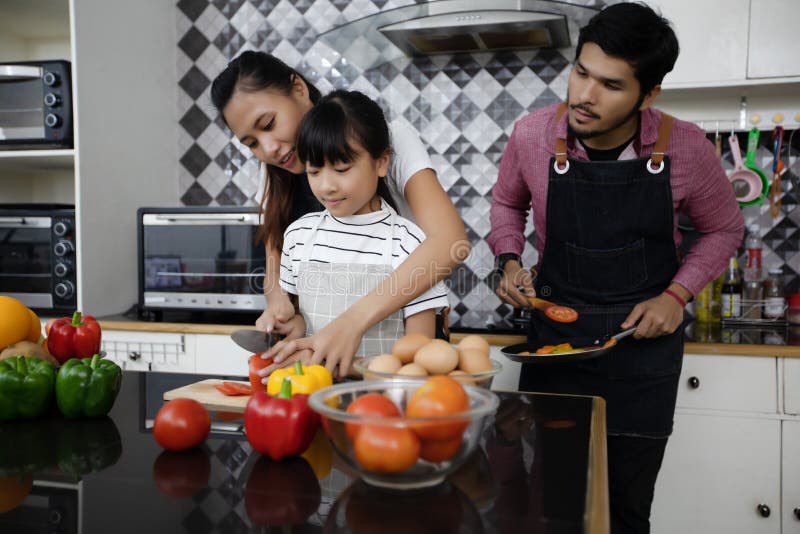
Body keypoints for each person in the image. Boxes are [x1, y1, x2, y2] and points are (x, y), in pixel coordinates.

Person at [487, 3, 744, 533]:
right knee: (547, 505)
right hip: (555, 343)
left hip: (641, 355)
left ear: (648, 94)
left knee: (625, 510)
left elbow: (724, 229)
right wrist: (508, 259)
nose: (584, 95)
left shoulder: (686, 147)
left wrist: (677, 296)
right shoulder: (533, 135)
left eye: (611, 84)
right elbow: (506, 204)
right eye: (581, 72)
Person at [211, 52, 467, 376]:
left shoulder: (390, 139)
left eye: (268, 124)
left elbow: (450, 242)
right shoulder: (280, 177)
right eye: (251, 143)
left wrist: (352, 321)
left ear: (299, 89)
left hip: (398, 352)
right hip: (325, 367)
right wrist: (282, 310)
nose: (268, 149)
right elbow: (276, 268)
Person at [271, 89, 450, 361]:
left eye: (342, 169)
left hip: (381, 397)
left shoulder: (410, 243)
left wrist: (351, 365)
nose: (326, 186)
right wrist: (286, 327)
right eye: (314, 172)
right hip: (311, 393)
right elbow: (303, 321)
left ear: (381, 162)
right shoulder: (298, 236)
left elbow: (418, 357)